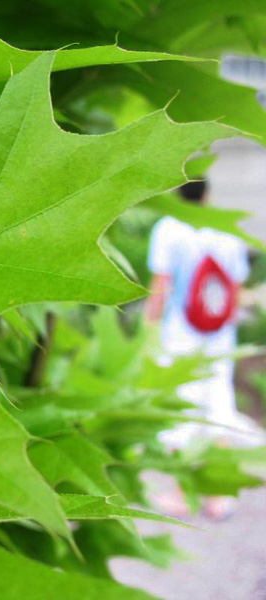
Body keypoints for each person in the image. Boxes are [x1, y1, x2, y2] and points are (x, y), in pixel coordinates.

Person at [145, 180, 256, 519]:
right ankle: (217, 498)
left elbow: (161, 285)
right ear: (208, 193)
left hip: (180, 334)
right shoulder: (225, 229)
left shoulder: (169, 228)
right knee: (218, 407)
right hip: (219, 337)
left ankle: (182, 492)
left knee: (182, 409)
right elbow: (235, 287)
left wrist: (149, 330)